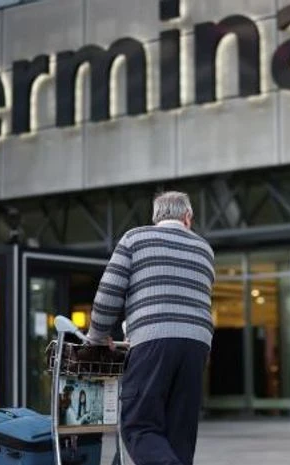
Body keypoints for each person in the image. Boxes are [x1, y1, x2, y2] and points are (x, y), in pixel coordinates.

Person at [86, 191, 214, 465]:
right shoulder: (204, 249)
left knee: (139, 424)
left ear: (155, 217)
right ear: (188, 217)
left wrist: (97, 336)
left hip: (153, 340)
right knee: (180, 432)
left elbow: (109, 292)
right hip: (197, 346)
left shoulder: (135, 238)